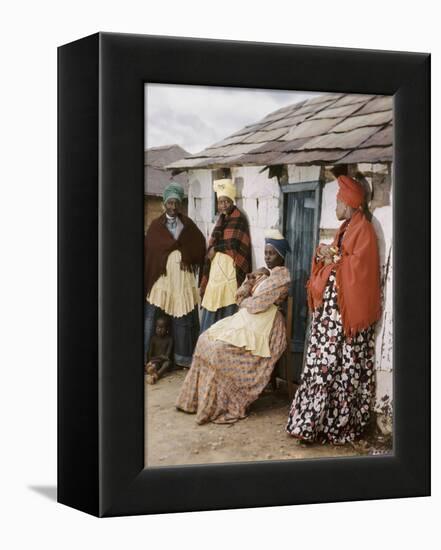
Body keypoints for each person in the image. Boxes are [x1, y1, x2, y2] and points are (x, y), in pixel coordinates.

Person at [286, 175, 381, 445]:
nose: (335, 206)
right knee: (323, 367)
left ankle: (335, 427)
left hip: (344, 319)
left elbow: (359, 268)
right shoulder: (346, 228)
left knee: (339, 371)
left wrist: (334, 257)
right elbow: (341, 258)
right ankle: (312, 426)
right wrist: (327, 254)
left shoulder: (363, 230)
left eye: (339, 201)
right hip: (331, 319)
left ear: (350, 204)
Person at [176, 230, 291, 425]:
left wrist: (245, 301)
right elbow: (239, 295)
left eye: (272, 253)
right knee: (206, 339)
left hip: (266, 324)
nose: (267, 257)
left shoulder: (282, 278)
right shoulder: (266, 275)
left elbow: (256, 305)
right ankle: (195, 402)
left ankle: (222, 404)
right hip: (248, 320)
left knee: (219, 350)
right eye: (265, 252)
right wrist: (252, 277)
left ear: (281, 255)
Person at [144, 182, 206, 368]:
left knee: (183, 317)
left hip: (181, 278)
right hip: (161, 279)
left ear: (180, 204)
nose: (173, 207)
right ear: (164, 203)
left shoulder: (187, 224)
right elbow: (151, 251)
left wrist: (185, 254)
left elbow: (200, 244)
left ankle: (182, 358)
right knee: (152, 315)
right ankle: (147, 355)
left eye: (176, 203)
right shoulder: (156, 226)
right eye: (170, 203)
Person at [199, 178, 252, 333]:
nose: (223, 205)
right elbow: (214, 244)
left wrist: (216, 249)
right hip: (216, 273)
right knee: (212, 306)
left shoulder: (239, 219)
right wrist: (213, 251)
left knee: (228, 308)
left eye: (226, 201)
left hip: (230, 271)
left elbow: (235, 244)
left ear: (231, 201)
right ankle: (207, 346)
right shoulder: (221, 220)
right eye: (220, 202)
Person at [145, 317, 173, 384]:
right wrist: (160, 357)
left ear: (167, 329)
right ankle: (153, 372)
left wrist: (161, 358)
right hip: (155, 361)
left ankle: (156, 376)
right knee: (153, 365)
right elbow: (150, 357)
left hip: (163, 362)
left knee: (167, 363)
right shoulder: (153, 339)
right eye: (158, 327)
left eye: (162, 328)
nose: (159, 330)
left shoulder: (170, 339)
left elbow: (167, 357)